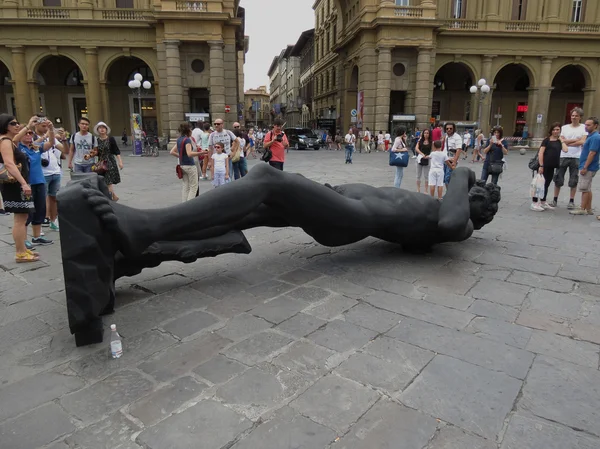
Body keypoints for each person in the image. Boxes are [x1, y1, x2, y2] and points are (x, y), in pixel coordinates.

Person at [0, 114, 38, 262]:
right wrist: (23, 182)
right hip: (15, 185)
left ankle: (22, 249)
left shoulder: (8, 141)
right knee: (20, 219)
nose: (17, 125)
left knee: (22, 217)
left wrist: (28, 125)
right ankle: (20, 253)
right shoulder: (4, 142)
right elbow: (9, 163)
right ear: (5, 126)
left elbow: (15, 139)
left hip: (15, 184)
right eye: (13, 123)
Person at [17, 117, 55, 247]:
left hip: (39, 181)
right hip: (27, 183)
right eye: (25, 133)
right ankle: (24, 239)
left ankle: (37, 236)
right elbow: (14, 139)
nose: (28, 135)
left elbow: (50, 143)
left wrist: (51, 129)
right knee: (27, 212)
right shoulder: (17, 147)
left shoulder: (35, 147)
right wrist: (28, 126)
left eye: (30, 133)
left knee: (40, 209)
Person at [552, 107, 587, 208]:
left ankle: (571, 201)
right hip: (563, 155)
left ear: (580, 117)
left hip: (576, 156)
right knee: (558, 178)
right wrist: (575, 141)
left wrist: (567, 142)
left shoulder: (583, 127)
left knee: (574, 179)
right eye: (572, 115)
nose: (574, 117)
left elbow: (582, 141)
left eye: (576, 116)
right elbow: (560, 139)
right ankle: (555, 199)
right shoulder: (564, 127)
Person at [531, 123, 567, 212]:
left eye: (557, 129)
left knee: (546, 184)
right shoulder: (546, 140)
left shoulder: (559, 141)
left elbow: (565, 150)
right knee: (538, 184)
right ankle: (534, 203)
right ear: (551, 131)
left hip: (552, 166)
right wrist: (541, 165)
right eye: (554, 129)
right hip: (544, 165)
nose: (555, 131)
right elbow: (541, 153)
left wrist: (561, 140)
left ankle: (543, 201)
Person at [570, 116, 599, 216]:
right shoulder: (590, 136)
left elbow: (592, 153)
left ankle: (582, 208)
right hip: (587, 165)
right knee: (588, 187)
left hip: (588, 166)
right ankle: (588, 208)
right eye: (585, 124)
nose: (586, 126)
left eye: (589, 125)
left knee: (584, 188)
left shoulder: (595, 137)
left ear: (595, 126)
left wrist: (585, 167)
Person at [170, 122, 203, 202]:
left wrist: (181, 156)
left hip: (182, 165)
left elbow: (172, 152)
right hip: (190, 165)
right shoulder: (187, 140)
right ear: (188, 130)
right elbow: (189, 153)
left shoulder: (179, 139)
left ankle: (184, 203)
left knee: (186, 186)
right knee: (194, 186)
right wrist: (201, 153)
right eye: (190, 129)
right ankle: (190, 204)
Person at [42, 127, 67, 231]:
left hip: (55, 171)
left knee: (54, 198)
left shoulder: (53, 139)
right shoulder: (32, 137)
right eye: (43, 125)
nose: (45, 127)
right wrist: (46, 135)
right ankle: (39, 224)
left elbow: (65, 151)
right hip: (42, 173)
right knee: (41, 199)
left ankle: (53, 221)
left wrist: (64, 139)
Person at [93, 122, 124, 201]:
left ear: (106, 130)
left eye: (104, 127)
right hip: (101, 163)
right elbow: (96, 152)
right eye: (100, 127)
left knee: (108, 181)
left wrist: (120, 162)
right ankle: (114, 196)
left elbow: (116, 151)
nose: (102, 129)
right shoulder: (96, 140)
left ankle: (111, 198)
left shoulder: (111, 139)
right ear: (97, 130)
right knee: (104, 181)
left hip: (110, 162)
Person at [443, 122, 463, 187]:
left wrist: (454, 161)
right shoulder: (446, 136)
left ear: (453, 129)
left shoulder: (457, 137)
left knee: (448, 179)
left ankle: (450, 194)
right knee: (445, 179)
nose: (449, 130)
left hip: (452, 160)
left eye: (450, 128)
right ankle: (448, 193)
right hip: (445, 159)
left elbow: (458, 150)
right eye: (447, 128)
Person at [415, 128, 432, 193]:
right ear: (423, 134)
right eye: (425, 133)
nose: (426, 134)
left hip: (427, 159)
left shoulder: (431, 142)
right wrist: (422, 154)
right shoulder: (420, 140)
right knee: (418, 175)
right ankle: (418, 189)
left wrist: (428, 156)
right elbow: (416, 148)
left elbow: (433, 151)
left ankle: (426, 190)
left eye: (427, 133)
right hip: (419, 158)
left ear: (429, 134)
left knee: (426, 175)